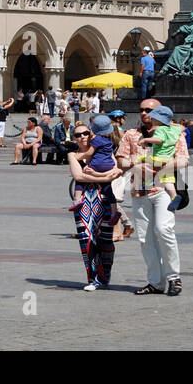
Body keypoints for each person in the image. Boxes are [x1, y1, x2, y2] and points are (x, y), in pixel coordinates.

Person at [117, 101, 187, 296]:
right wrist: (134, 165)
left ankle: (174, 278)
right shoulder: (132, 134)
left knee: (164, 229)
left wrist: (164, 167)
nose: (144, 113)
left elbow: (184, 159)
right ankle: (155, 282)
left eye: (149, 110)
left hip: (163, 188)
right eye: (141, 109)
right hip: (139, 191)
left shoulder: (173, 132)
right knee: (145, 238)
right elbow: (120, 160)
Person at [66, 116, 125, 290]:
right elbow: (79, 176)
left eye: (85, 133)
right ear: (74, 138)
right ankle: (93, 279)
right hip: (85, 200)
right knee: (87, 239)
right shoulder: (73, 154)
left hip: (104, 198)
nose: (82, 137)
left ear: (91, 133)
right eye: (78, 135)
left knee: (106, 241)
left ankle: (105, 275)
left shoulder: (104, 150)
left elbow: (117, 170)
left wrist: (105, 175)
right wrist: (104, 176)